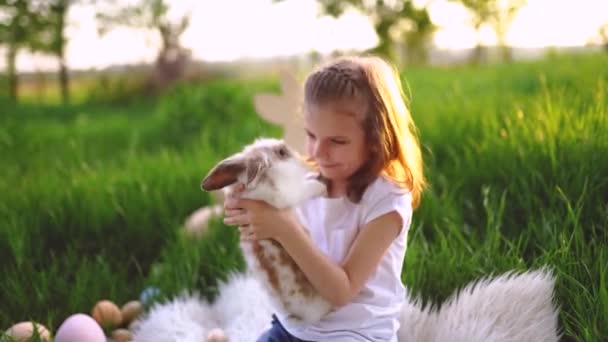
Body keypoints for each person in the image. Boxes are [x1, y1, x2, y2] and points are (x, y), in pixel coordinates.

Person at [223, 55, 426, 342]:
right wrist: (246, 206)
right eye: (311, 135)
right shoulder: (308, 180)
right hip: (293, 330)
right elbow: (268, 221)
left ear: (376, 139)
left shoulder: (387, 200)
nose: (318, 152)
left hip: (355, 334)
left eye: (338, 141)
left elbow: (341, 291)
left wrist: (283, 227)